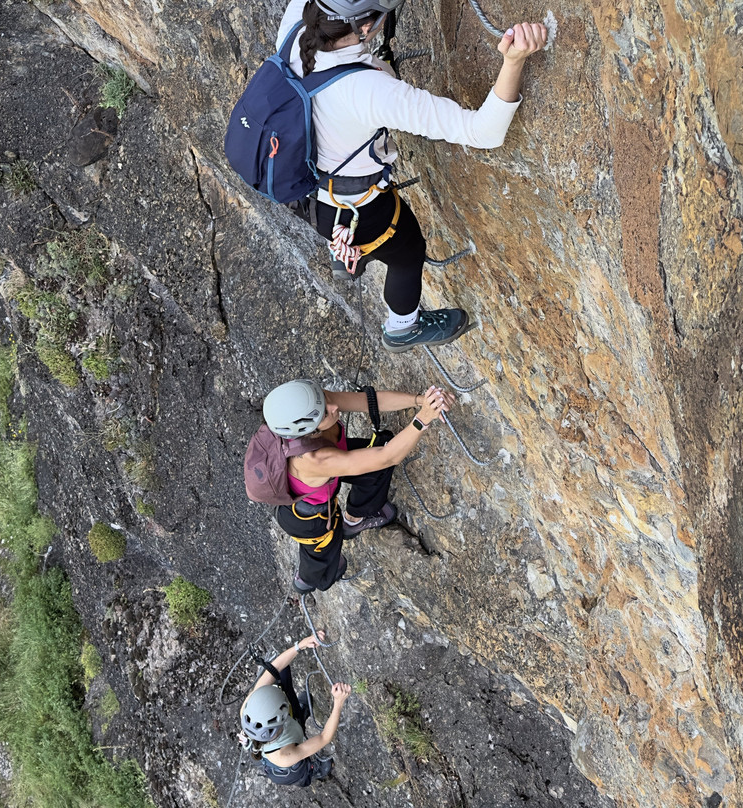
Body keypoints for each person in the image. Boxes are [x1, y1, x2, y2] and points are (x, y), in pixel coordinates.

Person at [276, 0, 548, 352]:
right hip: (360, 210)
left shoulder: (296, 20)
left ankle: (346, 250)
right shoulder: (372, 93)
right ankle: (402, 327)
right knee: (408, 253)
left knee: (377, 239)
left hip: (308, 188)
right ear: (366, 27)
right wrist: (514, 60)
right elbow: (484, 132)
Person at [261, 378, 454, 592]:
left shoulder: (314, 405)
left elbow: (369, 401)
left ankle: (355, 519)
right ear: (308, 429)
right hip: (308, 519)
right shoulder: (314, 460)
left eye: (324, 402)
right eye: (324, 413)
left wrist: (421, 401)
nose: (333, 406)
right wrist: (423, 418)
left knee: (379, 457)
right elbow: (387, 456)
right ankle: (309, 581)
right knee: (323, 553)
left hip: (329, 476)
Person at [238, 629, 351, 786]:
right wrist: (338, 702)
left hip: (286, 724)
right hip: (289, 769)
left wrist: (302, 644)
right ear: (281, 717)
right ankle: (313, 770)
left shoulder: (252, 703)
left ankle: (299, 713)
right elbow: (324, 738)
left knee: (283, 672)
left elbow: (274, 668)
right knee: (301, 772)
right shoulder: (285, 756)